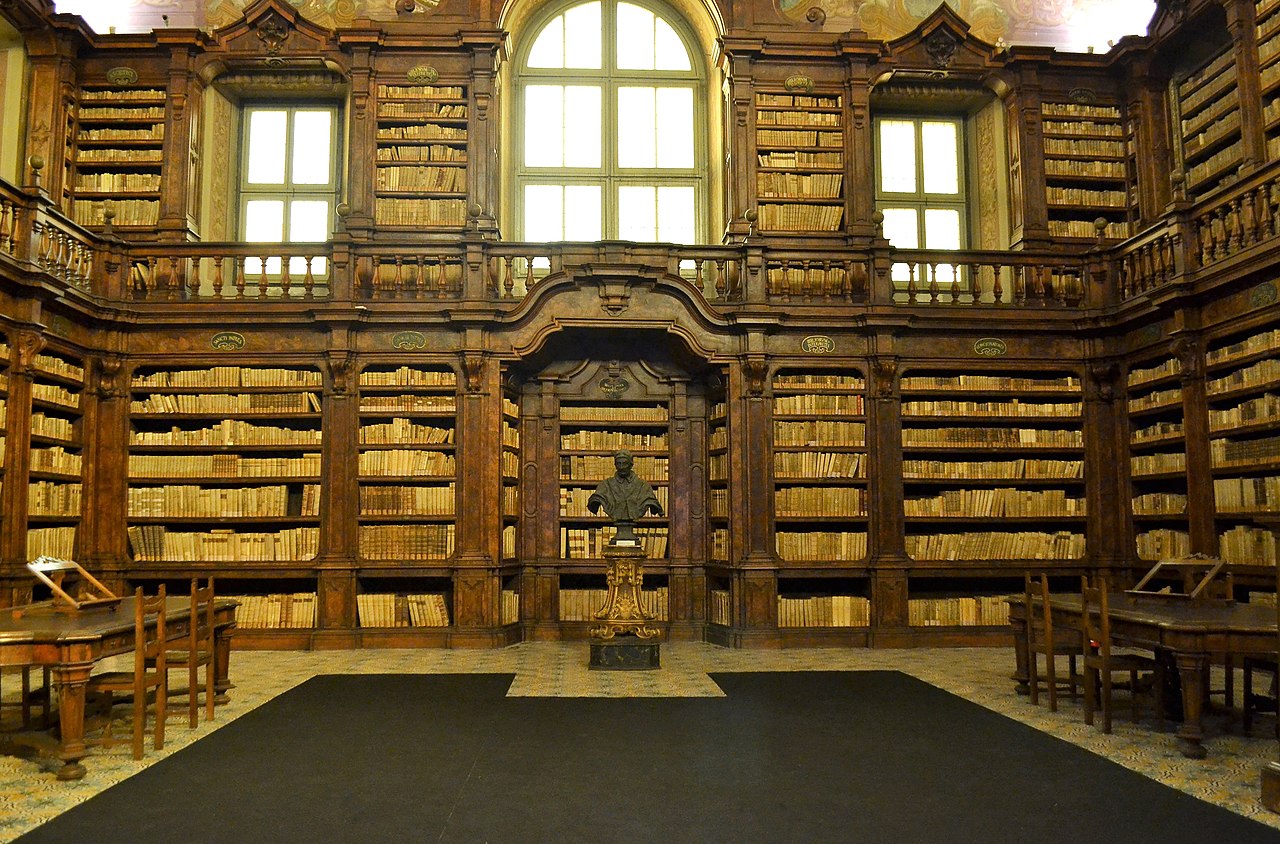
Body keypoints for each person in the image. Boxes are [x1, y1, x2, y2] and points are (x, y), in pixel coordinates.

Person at [587, 450, 663, 544]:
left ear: (631, 465)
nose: (622, 467)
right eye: (619, 464)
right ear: (615, 465)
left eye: (625, 464)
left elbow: (652, 502)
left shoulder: (643, 486)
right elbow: (595, 499)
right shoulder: (605, 485)